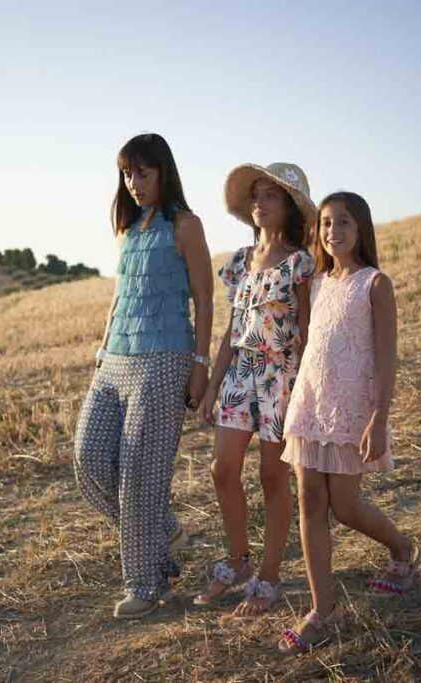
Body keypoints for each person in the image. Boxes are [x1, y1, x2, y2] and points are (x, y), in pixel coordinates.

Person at [73, 133, 214, 619]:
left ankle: (147, 585)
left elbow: (206, 298)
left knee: (138, 476)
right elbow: (120, 295)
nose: (134, 183)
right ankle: (164, 527)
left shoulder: (186, 225)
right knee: (88, 460)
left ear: (164, 172)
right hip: (114, 358)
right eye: (127, 173)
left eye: (144, 173)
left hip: (166, 357)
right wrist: (102, 347)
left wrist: (200, 365)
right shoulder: (128, 230)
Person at [278, 191, 419, 654]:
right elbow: (307, 347)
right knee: (309, 499)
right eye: (325, 223)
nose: (332, 231)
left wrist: (379, 418)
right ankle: (324, 609)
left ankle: (402, 548)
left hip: (350, 409)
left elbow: (386, 356)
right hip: (310, 404)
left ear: (361, 230)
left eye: (343, 223)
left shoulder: (375, 284)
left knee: (346, 505)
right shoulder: (316, 283)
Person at [194, 163, 316, 616]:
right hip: (240, 374)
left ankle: (268, 575)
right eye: (257, 196)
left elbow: (305, 331)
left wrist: (305, 386)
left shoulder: (300, 262)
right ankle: (239, 559)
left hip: (281, 375)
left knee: (271, 477)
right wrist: (210, 389)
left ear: (288, 207)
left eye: (272, 196)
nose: (261, 203)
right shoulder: (241, 263)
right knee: (221, 469)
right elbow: (232, 331)